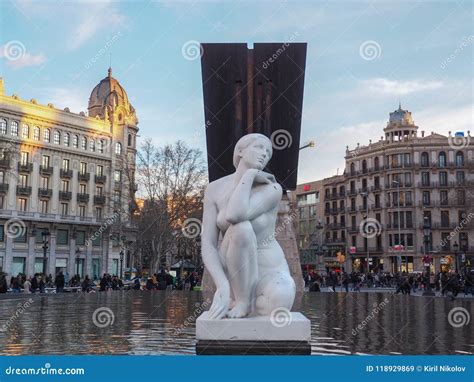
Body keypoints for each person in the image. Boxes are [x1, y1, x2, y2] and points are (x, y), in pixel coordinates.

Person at [202, 134, 295, 319]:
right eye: (259, 147)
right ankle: (241, 300)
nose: (264, 154)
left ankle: (247, 302)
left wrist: (249, 175)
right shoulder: (214, 189)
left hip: (269, 270)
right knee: (241, 229)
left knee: (278, 303)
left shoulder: (272, 188)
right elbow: (208, 242)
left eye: (268, 152)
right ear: (240, 151)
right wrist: (221, 285)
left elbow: (235, 213)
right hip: (233, 273)